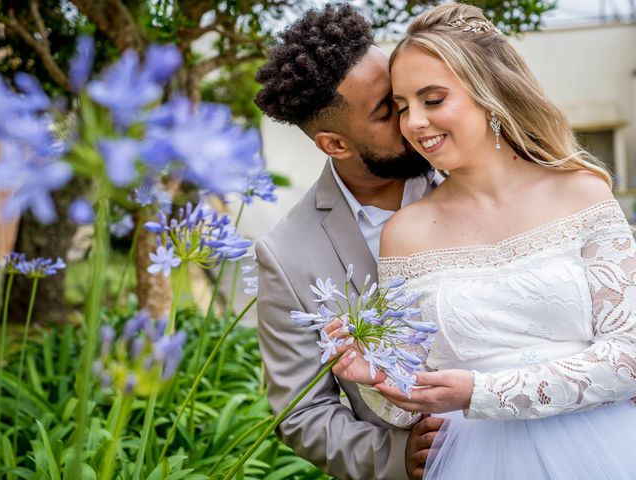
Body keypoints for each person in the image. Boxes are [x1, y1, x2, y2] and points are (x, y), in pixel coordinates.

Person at [332, 2, 636, 479]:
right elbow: (412, 402)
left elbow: (630, 357)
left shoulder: (582, 192)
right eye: (403, 107)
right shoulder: (404, 234)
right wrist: (375, 379)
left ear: (489, 92)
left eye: (433, 100)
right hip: (474, 462)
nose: (414, 124)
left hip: (607, 448)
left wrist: (481, 392)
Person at [253, 4, 446, 479]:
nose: (413, 120)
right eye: (388, 111)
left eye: (406, 96)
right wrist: (396, 456)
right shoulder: (286, 254)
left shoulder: (471, 169)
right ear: (334, 144)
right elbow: (301, 414)